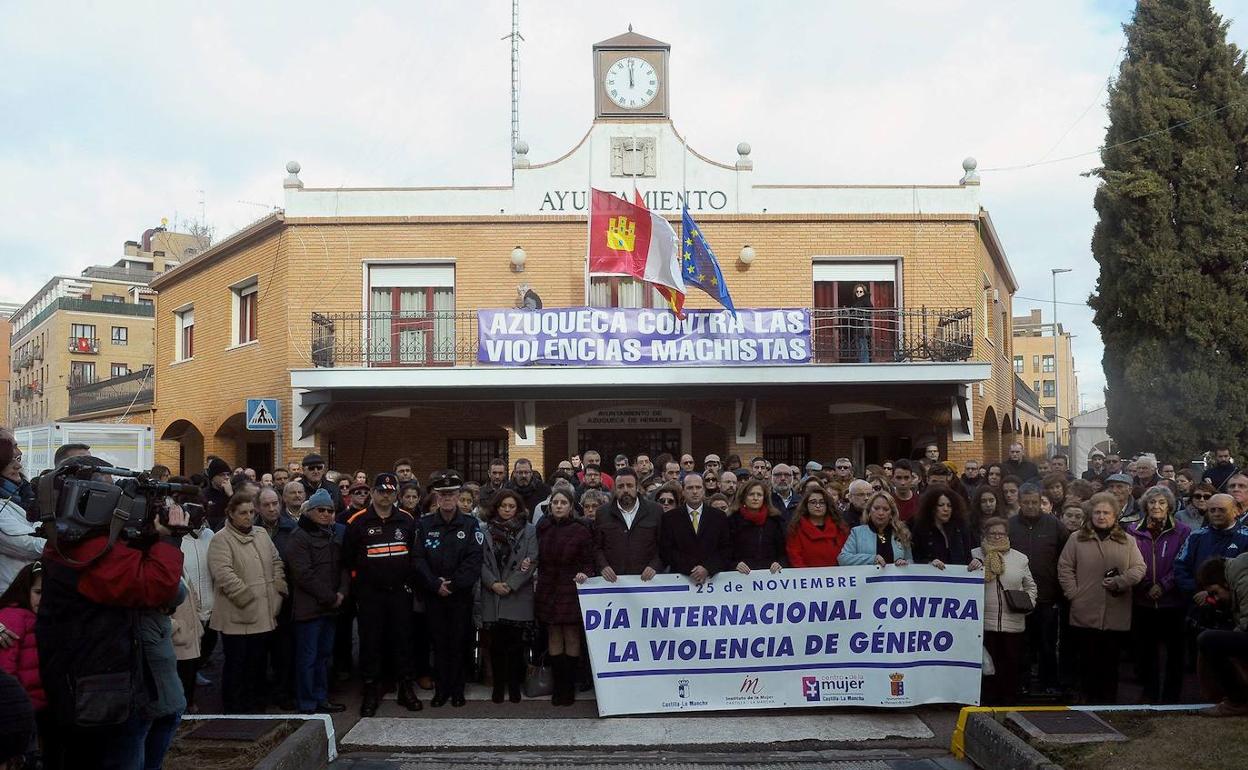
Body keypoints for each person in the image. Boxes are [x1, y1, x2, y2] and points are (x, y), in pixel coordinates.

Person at [36, 456, 189, 768]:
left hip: (96, 680)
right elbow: (155, 586)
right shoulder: (85, 549)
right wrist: (169, 540)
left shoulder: (73, 541)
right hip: (99, 688)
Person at [343, 473, 420, 715]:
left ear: (395, 494)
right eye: (381, 491)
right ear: (373, 493)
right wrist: (357, 589)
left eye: (390, 492)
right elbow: (348, 559)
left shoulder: (407, 520)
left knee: (404, 641)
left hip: (400, 593)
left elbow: (415, 556)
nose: (385, 496)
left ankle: (405, 687)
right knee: (370, 642)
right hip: (370, 595)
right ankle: (370, 690)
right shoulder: (357, 521)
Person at [1058, 491, 1146, 704]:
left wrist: (1120, 581)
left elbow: (1139, 568)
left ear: (1115, 515)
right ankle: (1088, 702)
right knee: (1086, 661)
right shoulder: (1076, 539)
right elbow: (1065, 568)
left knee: (1110, 662)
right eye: (1097, 512)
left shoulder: (1128, 541)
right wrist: (1074, 594)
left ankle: (1109, 704)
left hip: (1116, 611)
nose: (1101, 516)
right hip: (1085, 610)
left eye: (1106, 512)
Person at [208, 491, 287, 714]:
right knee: (237, 664)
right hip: (237, 614)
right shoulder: (221, 539)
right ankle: (234, 708)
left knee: (258, 662)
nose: (249, 517)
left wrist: (278, 589)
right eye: (243, 513)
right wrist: (246, 596)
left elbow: (276, 561)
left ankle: (255, 705)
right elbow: (223, 573)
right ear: (231, 514)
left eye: (252, 512)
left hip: (265, 611)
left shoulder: (261, 534)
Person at [412, 470, 483, 708]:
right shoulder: (424, 525)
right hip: (434, 595)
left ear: (458, 495)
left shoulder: (470, 525)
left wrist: (452, 584)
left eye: (451, 493)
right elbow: (418, 559)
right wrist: (434, 584)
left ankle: (458, 689)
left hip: (460, 596)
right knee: (439, 642)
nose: (447, 498)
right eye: (442, 494)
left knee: (460, 642)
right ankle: (442, 689)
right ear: (437, 496)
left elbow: (474, 560)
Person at [286, 489, 348, 714]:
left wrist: (342, 592)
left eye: (330, 510)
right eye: (320, 510)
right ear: (310, 511)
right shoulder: (299, 536)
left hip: (330, 609)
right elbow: (303, 574)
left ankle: (321, 698)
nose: (325, 514)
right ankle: (307, 702)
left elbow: (342, 566)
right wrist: (331, 597)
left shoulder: (334, 534)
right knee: (308, 658)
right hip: (309, 610)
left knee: (324, 657)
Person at [1127, 486, 1190, 703]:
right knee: (1145, 652)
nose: (1156, 506)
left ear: (1169, 506)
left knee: (1175, 653)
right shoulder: (1133, 530)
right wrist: (1145, 585)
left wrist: (1163, 585)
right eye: (1152, 502)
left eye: (1162, 502)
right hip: (1142, 600)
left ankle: (1172, 697)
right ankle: (1149, 693)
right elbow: (1129, 562)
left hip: (1172, 601)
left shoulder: (1182, 531)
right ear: (1145, 505)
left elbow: (1182, 562)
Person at [1008, 483, 1068, 695]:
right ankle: (1022, 683)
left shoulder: (1055, 525)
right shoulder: (1010, 525)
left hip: (1047, 594)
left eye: (1035, 502)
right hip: (1018, 595)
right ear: (1020, 503)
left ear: (1041, 501)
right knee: (1022, 644)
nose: (1031, 506)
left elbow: (1065, 556)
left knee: (1047, 643)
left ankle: (1049, 683)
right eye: (1026, 503)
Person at [479, 490, 537, 704]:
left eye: (511, 506)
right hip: (492, 592)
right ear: (496, 507)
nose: (507, 510)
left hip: (517, 594)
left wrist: (511, 585)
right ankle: (498, 685)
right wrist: (493, 583)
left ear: (518, 508)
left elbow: (531, 560)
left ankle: (514, 685)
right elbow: (480, 561)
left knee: (515, 645)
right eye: (503, 506)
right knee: (496, 645)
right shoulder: (484, 529)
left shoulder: (529, 530)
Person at [537, 488, 593, 706]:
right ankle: (558, 686)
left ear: (571, 507)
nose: (558, 506)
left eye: (563, 503)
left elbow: (588, 561)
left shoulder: (580, 530)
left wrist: (584, 573)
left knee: (571, 635)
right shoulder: (544, 527)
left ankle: (568, 687)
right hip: (548, 588)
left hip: (570, 589)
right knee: (553, 635)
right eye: (555, 502)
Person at [974, 516, 1036, 705]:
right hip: (984, 623)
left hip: (1013, 622)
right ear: (985, 534)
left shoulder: (1020, 558)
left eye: (1001, 533)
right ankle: (986, 702)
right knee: (987, 668)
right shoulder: (974, 555)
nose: (997, 536)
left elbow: (1030, 586)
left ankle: (1008, 704)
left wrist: (1028, 604)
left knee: (1010, 666)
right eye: (992, 533)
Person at [1192, 554, 1248, 716]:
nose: (1216, 599)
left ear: (1224, 582)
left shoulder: (1244, 581)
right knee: (1212, 638)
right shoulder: (1238, 574)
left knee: (1209, 640)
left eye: (1215, 592)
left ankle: (1238, 702)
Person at [0, 561, 45, 753]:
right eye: (38, 592)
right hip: (22, 715)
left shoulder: (41, 619)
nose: (43, 599)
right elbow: (6, 670)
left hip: (39, 712)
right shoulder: (14, 617)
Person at [593, 468, 663, 583]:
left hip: (648, 582)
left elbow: (663, 546)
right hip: (614, 582)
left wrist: (654, 566)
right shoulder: (602, 513)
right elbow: (596, 547)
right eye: (620, 486)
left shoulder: (655, 511)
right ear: (614, 489)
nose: (625, 490)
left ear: (637, 487)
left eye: (630, 485)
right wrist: (603, 566)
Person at [659, 473, 731, 584]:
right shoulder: (670, 518)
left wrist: (707, 568)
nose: (694, 491)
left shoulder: (718, 517)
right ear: (683, 491)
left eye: (698, 487)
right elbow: (667, 550)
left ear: (703, 490)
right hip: (681, 579)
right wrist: (692, 569)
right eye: (690, 488)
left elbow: (725, 548)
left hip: (714, 580)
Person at [1174, 493, 1248, 595]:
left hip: (1234, 604)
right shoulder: (1195, 536)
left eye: (1222, 510)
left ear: (1236, 511)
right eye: (1212, 510)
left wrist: (1222, 593)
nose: (1216, 514)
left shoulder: (1245, 538)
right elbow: (1180, 566)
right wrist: (1196, 591)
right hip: (1197, 602)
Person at [0, 438, 42, 595]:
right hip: (9, 597)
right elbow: (30, 546)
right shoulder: (3, 504)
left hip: (30, 594)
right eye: (9, 462)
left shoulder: (25, 493)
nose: (19, 465)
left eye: (17, 459)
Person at [911, 488, 979, 570]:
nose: (946, 509)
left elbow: (968, 556)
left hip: (959, 578)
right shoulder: (921, 529)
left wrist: (976, 562)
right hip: (932, 578)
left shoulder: (961, 528)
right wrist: (929, 563)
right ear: (932, 508)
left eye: (949, 506)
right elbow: (916, 558)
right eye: (941, 505)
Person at [839, 492, 913, 567]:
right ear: (869, 511)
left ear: (891, 514)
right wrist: (871, 559)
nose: (881, 513)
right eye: (876, 508)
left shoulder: (901, 533)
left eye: (886, 509)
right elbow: (843, 559)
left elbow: (910, 560)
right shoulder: (857, 532)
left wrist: (904, 562)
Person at [729, 479, 785, 574]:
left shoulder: (775, 521)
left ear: (764, 498)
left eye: (759, 495)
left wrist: (780, 563)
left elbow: (783, 551)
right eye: (751, 494)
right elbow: (725, 550)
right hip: (740, 577)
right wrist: (734, 564)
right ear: (744, 497)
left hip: (770, 576)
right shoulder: (732, 520)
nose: (755, 498)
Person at [785, 487, 849, 567]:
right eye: (813, 502)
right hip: (807, 576)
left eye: (822, 502)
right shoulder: (796, 528)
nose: (818, 506)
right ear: (806, 504)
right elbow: (795, 556)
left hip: (837, 576)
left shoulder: (840, 527)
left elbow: (846, 555)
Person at [846, 281, 873, 362]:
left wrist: (863, 317)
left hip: (863, 325)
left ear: (864, 292)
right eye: (857, 291)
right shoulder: (857, 301)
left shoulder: (865, 299)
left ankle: (865, 362)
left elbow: (871, 309)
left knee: (863, 344)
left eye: (860, 291)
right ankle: (862, 360)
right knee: (859, 344)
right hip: (857, 325)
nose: (858, 293)